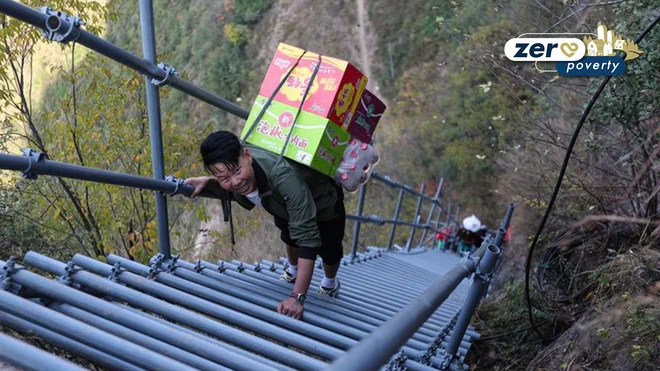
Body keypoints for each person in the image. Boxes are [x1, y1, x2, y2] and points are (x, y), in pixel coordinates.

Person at [185, 131, 345, 320]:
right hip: (281, 204)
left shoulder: (283, 178)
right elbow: (234, 181)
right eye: (224, 178)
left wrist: (297, 297)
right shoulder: (239, 171)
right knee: (288, 234)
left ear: (247, 155)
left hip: (323, 203)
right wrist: (209, 183)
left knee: (330, 250)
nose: (235, 181)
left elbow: (308, 239)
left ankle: (329, 283)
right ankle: (292, 271)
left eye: (237, 171)